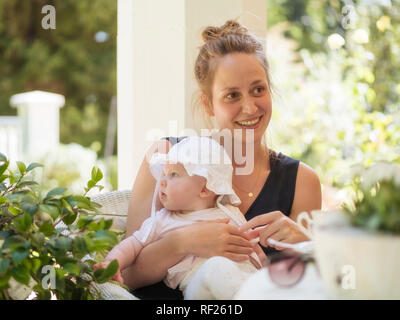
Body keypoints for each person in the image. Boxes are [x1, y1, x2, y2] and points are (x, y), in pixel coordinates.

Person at [122, 19, 322, 300]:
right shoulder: (165, 157)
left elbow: (312, 288)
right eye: (232, 95)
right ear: (208, 103)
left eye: (258, 89)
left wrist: (308, 246)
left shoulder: (302, 181)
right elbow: (127, 275)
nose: (250, 107)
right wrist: (183, 242)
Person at [95, 136, 266, 299]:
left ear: (205, 189)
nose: (162, 181)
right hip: (201, 286)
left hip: (246, 278)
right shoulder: (163, 220)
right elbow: (132, 245)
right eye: (163, 173)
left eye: (174, 174)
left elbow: (253, 246)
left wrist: (266, 267)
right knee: (216, 269)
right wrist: (112, 262)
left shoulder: (229, 212)